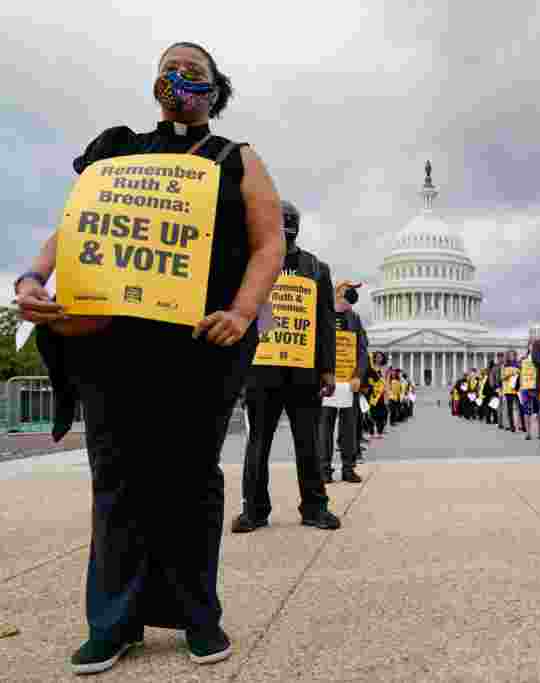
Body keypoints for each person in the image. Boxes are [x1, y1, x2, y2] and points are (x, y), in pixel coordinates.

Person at [16, 41, 285, 673]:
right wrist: (33, 277)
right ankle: (113, 621)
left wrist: (244, 310)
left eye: (193, 71)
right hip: (112, 341)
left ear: (216, 90)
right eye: (168, 66)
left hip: (200, 343)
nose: (178, 76)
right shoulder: (114, 149)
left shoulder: (235, 157)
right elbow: (74, 223)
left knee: (191, 480)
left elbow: (268, 241)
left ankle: (197, 616)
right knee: (116, 478)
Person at [233, 199, 340, 535]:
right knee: (257, 444)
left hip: (303, 370)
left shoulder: (316, 268)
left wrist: (327, 369)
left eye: (289, 223)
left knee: (308, 443)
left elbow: (324, 322)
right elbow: (244, 316)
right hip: (262, 368)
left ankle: (315, 507)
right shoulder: (252, 265)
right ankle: (254, 510)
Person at [319, 281, 368, 484]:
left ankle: (348, 468)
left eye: (348, 305)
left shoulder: (354, 319)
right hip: (326, 380)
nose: (345, 307)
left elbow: (362, 351)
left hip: (348, 382)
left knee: (349, 428)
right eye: (343, 301)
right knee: (325, 427)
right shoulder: (323, 315)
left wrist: (358, 375)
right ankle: (324, 469)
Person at [501, 351, 522, 432]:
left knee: (520, 407)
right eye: (510, 355)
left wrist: (517, 374)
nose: (511, 356)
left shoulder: (518, 365)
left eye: (513, 355)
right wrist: (509, 375)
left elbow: (521, 376)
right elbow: (502, 377)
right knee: (509, 408)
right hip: (508, 389)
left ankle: (520, 425)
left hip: (516, 389)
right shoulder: (504, 365)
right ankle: (512, 426)